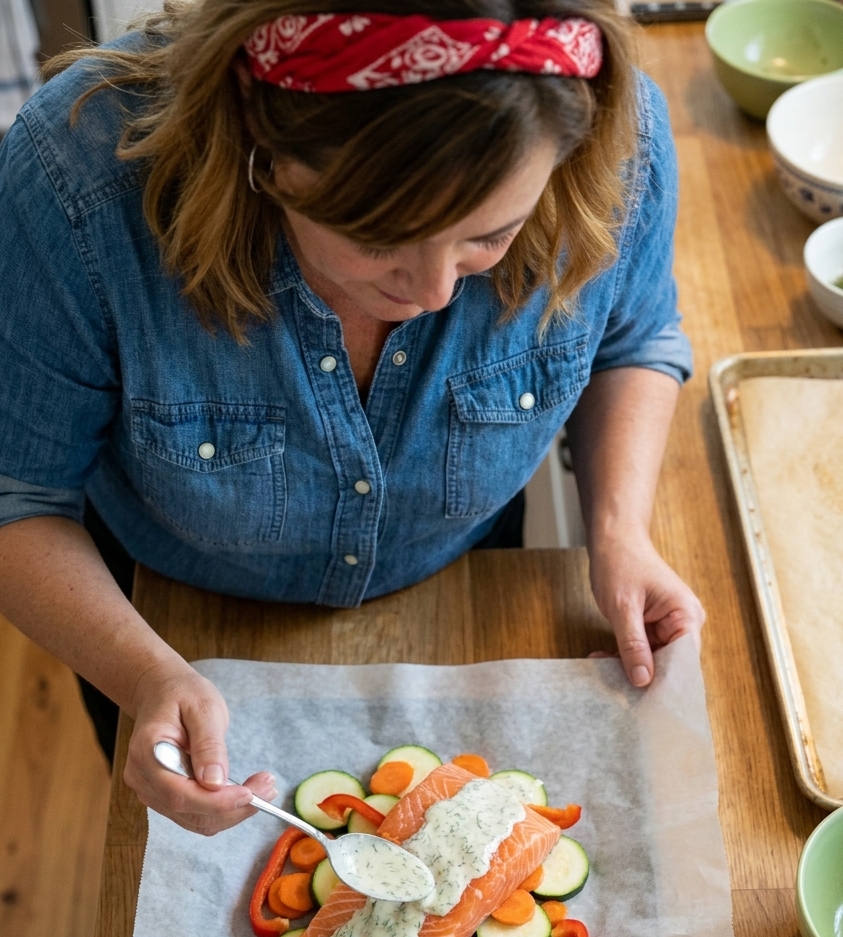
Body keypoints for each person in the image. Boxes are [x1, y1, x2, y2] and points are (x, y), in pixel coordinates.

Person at [0, 0, 703, 836]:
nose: (436, 292)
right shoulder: (76, 178)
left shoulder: (614, 138)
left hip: (463, 590)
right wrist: (147, 677)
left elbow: (634, 336)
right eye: (378, 239)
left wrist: (619, 533)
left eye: (490, 236)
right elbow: (19, 495)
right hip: (164, 622)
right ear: (261, 139)